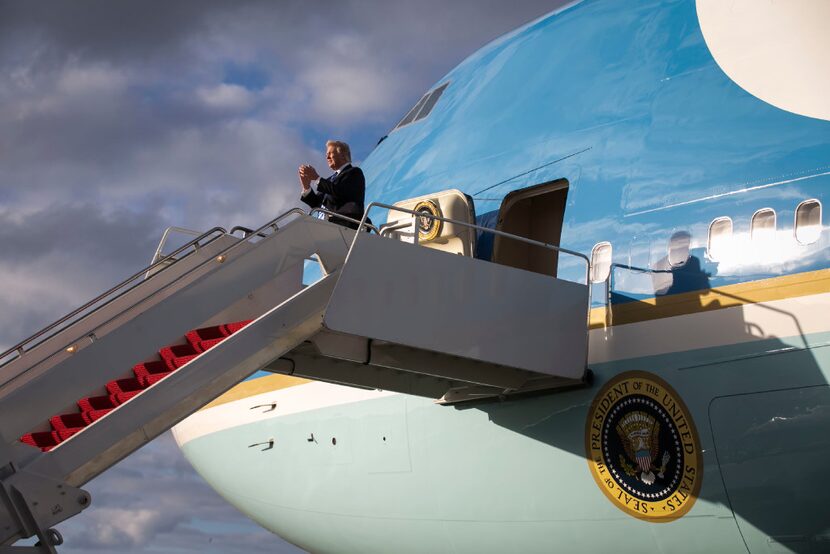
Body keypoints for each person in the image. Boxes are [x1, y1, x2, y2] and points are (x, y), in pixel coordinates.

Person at [299, 140, 367, 230]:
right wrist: (306, 186)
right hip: (325, 226)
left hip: (345, 225)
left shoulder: (354, 172)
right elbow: (317, 204)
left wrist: (316, 178)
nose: (327, 157)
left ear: (342, 155)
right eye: (326, 154)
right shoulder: (329, 180)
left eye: (330, 153)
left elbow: (340, 192)